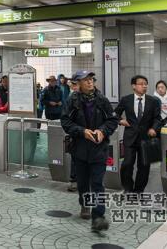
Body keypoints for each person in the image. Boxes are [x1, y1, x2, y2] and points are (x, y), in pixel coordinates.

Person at [61, 70, 118, 232]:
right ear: (77, 84)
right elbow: (65, 121)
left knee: (98, 184)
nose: (90, 82)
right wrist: (82, 131)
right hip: (79, 149)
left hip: (99, 149)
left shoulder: (102, 100)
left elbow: (112, 120)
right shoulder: (72, 101)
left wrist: (102, 131)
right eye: (85, 80)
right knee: (83, 182)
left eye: (91, 79)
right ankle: (85, 204)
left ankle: (98, 216)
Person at [115, 75, 162, 194]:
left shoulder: (153, 101)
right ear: (134, 86)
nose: (144, 86)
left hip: (146, 138)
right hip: (130, 137)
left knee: (144, 166)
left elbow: (158, 118)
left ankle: (139, 190)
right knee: (127, 164)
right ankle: (128, 188)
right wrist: (120, 121)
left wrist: (154, 128)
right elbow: (115, 114)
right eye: (141, 84)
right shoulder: (126, 99)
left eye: (146, 84)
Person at [67, 72, 80, 192]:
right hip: (76, 134)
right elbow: (66, 118)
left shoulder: (98, 97)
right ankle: (74, 180)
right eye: (73, 85)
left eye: (76, 84)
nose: (74, 87)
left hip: (92, 135)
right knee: (75, 157)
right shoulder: (71, 98)